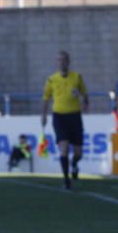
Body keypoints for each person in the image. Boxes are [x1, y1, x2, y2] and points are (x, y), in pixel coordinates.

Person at [41, 50, 88, 189]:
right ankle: (66, 180)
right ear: (56, 63)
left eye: (64, 60)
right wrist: (43, 115)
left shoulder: (77, 77)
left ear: (68, 61)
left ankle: (74, 164)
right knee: (64, 148)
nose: (61, 62)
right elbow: (46, 98)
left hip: (75, 116)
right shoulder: (51, 79)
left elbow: (85, 95)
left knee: (78, 152)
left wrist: (83, 100)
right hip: (59, 116)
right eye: (59, 60)